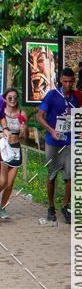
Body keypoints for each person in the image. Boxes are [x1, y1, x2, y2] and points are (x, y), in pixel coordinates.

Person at [37, 67, 79, 224]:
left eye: (70, 81)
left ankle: (65, 206)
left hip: (69, 142)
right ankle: (51, 206)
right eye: (65, 81)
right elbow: (39, 116)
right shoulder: (52, 95)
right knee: (52, 175)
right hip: (53, 142)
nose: (68, 84)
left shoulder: (75, 99)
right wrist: (51, 130)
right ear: (61, 80)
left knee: (70, 176)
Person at [0, 88, 28, 218]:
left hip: (16, 148)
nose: (12, 100)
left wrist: (24, 129)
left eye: (15, 98)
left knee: (10, 184)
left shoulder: (22, 113)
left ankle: (2, 208)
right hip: (3, 148)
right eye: (10, 97)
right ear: (5, 99)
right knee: (2, 181)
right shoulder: (2, 112)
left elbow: (25, 135)